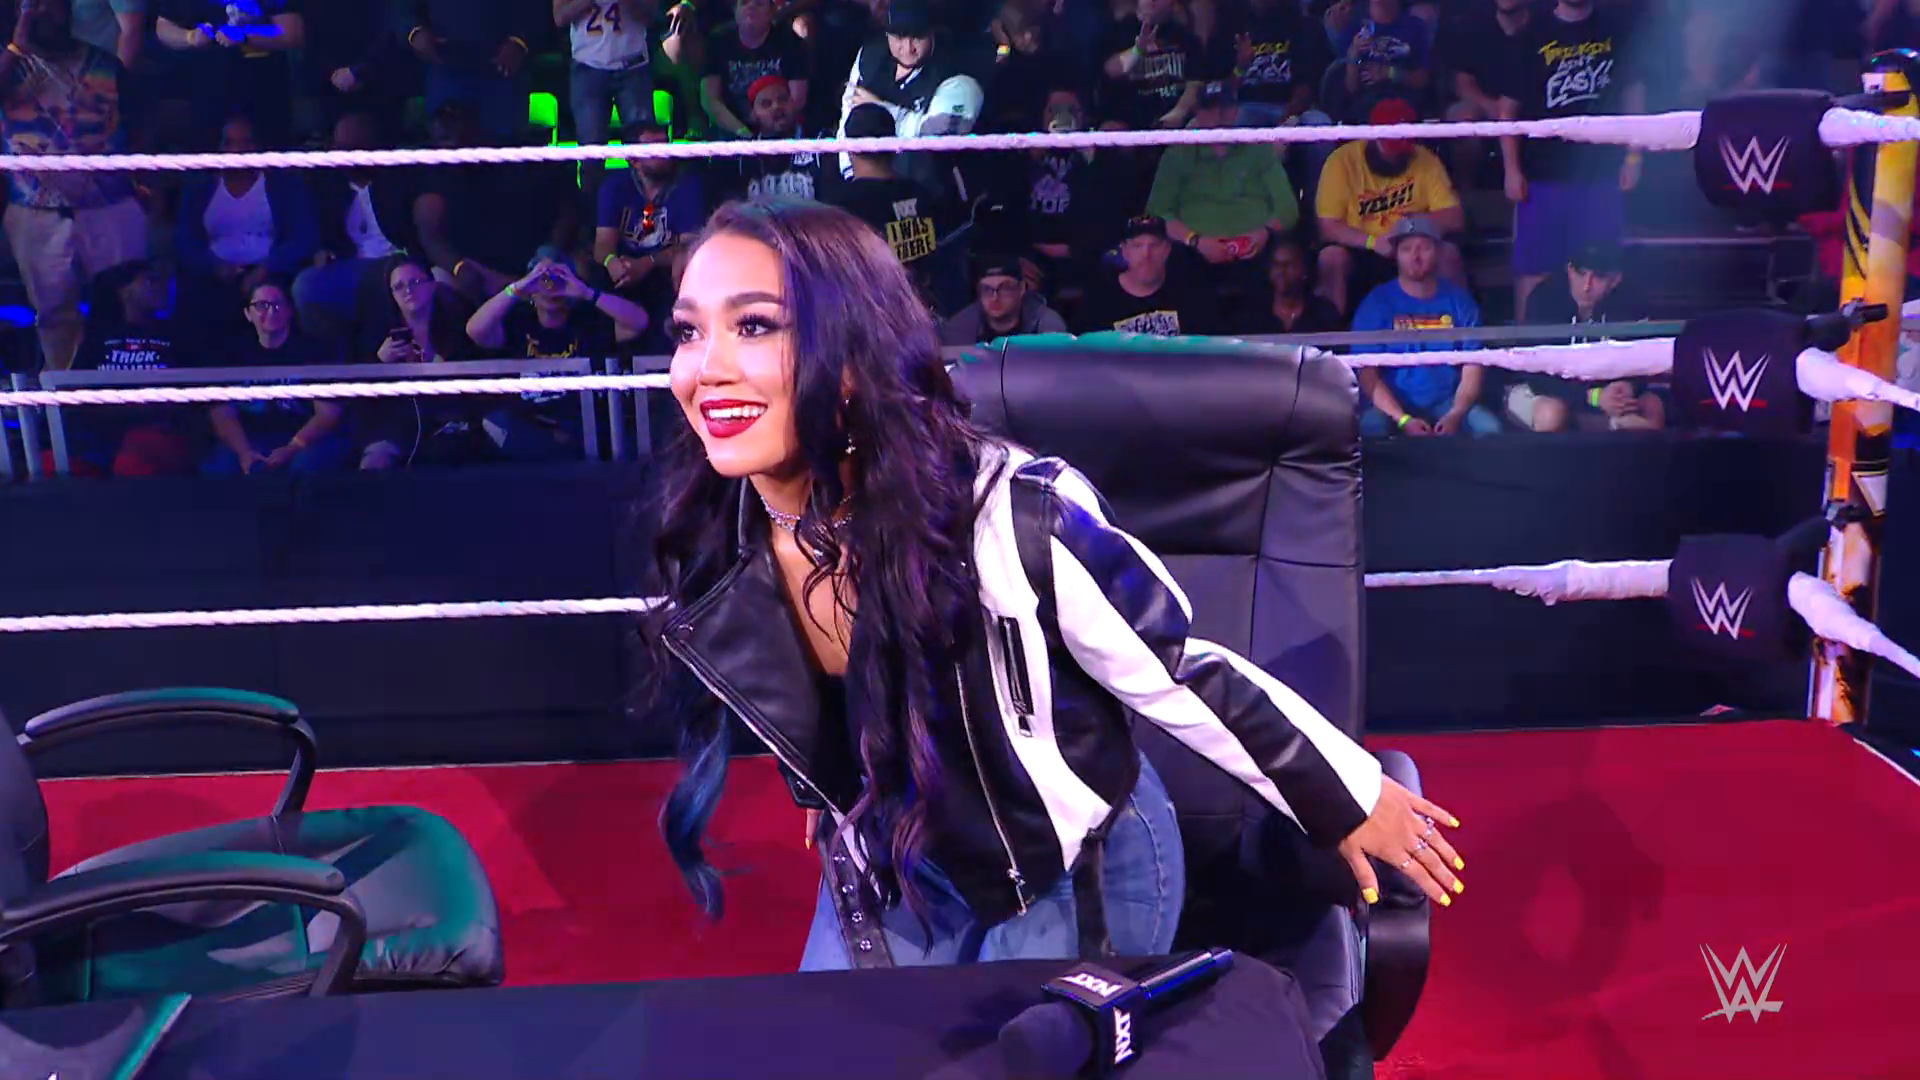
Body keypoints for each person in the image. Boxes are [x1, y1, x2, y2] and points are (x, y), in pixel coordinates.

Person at [652, 197, 1465, 971]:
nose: (705, 369)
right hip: (902, 852)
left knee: (1006, 1049)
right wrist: (834, 781)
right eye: (688, 331)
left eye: (754, 326)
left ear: (853, 355)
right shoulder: (719, 536)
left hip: (1074, 866)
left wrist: (1348, 795)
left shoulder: (1010, 512)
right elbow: (825, 701)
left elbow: (1179, 668)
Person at [203, 279, 349, 473]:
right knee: (220, 467)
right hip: (250, 439)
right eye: (262, 306)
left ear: (290, 311)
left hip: (302, 438)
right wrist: (244, 452)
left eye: (278, 304)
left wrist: (293, 447)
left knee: (306, 465)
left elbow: (328, 414)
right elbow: (221, 412)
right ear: (248, 314)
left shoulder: (314, 351)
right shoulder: (231, 353)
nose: (271, 312)